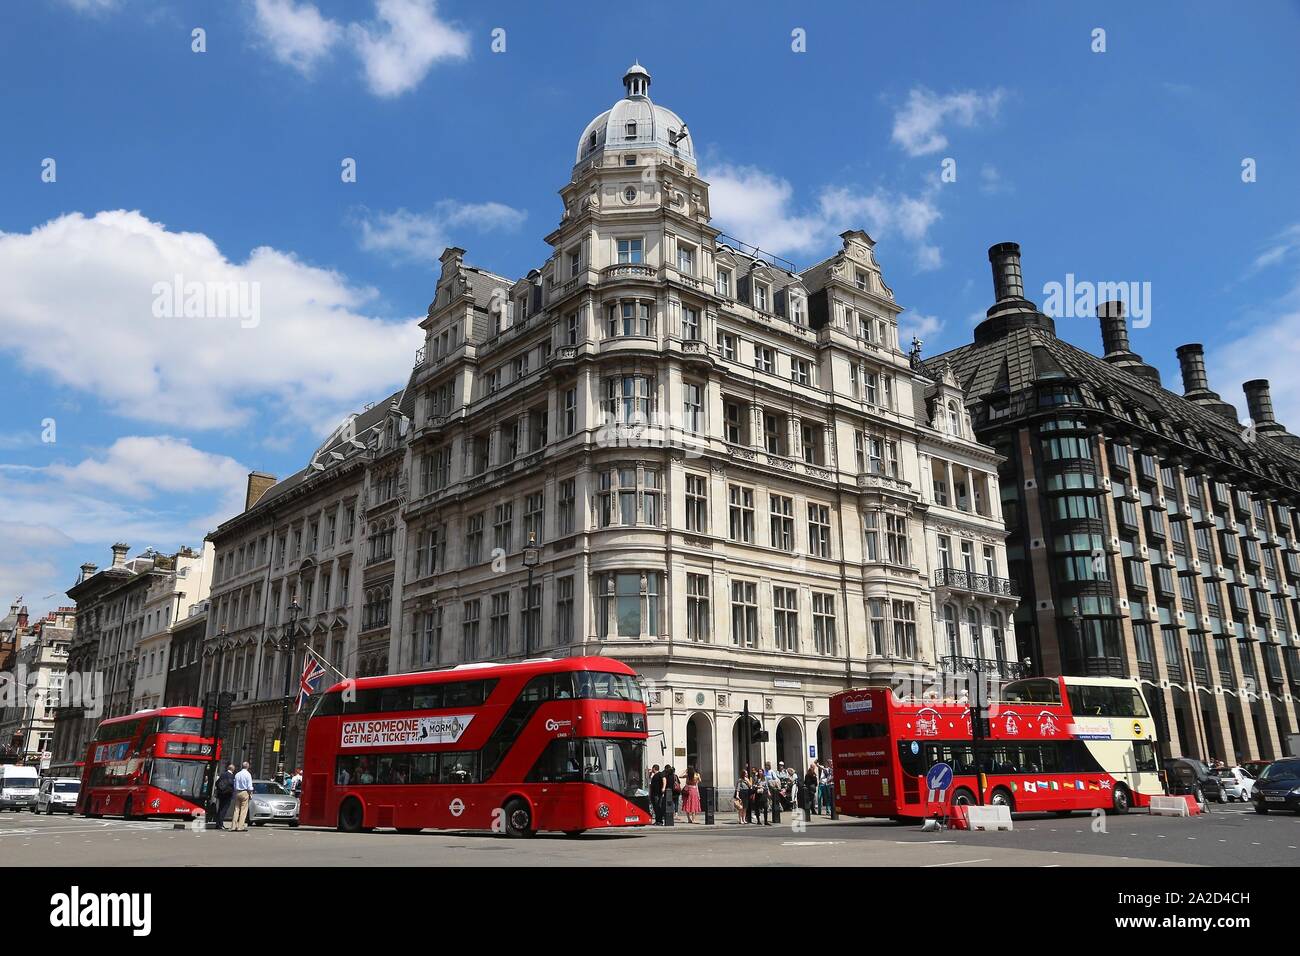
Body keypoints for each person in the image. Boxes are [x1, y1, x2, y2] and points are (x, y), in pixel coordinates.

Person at [231, 761, 255, 832]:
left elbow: (234, 785)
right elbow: (250, 787)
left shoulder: (237, 774)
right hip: (245, 792)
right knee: (243, 810)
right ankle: (240, 826)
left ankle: (233, 826)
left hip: (237, 792)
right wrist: (250, 793)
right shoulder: (248, 774)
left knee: (236, 809)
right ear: (248, 766)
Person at [214, 763, 235, 830]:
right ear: (233, 769)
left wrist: (220, 789)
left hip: (221, 794)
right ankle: (221, 824)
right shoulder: (231, 776)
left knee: (220, 808)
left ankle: (217, 824)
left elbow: (217, 783)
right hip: (227, 795)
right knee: (224, 809)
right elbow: (232, 784)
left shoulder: (223, 774)